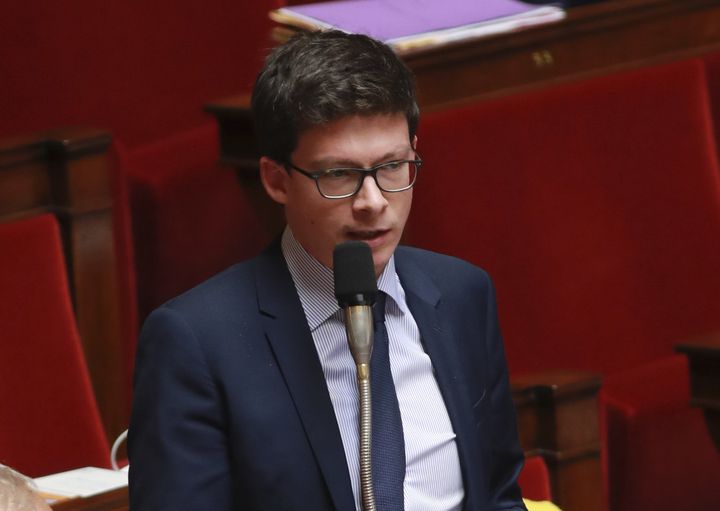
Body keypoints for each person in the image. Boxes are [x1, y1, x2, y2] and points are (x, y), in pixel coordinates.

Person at [129, 30, 526, 510]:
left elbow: (501, 493)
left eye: (393, 167)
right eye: (339, 174)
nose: (373, 202)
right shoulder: (196, 342)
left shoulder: (463, 294)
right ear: (276, 180)